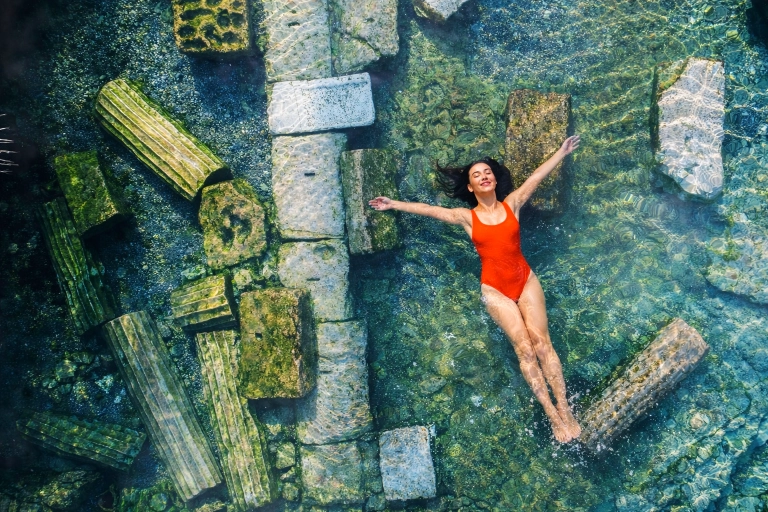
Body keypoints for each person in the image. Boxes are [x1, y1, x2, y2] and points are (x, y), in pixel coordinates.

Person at [369, 135, 581, 443]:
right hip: (495, 290)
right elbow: (429, 209)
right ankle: (551, 414)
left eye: (487, 172)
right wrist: (394, 204)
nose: (483, 176)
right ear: (470, 187)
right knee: (524, 348)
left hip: (525, 280)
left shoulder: (513, 203)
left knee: (543, 345)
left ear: (494, 180)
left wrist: (561, 152)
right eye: (476, 175)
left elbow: (536, 176)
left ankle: (565, 407)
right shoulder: (466, 217)